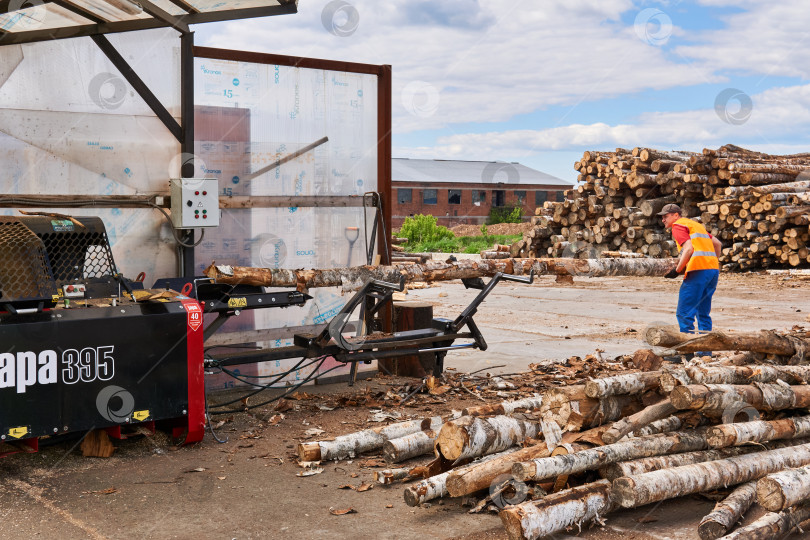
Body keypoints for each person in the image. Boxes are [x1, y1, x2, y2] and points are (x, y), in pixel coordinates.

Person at [657, 204, 722, 337]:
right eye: (662, 217)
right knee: (703, 313)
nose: (663, 220)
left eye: (666, 216)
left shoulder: (678, 226)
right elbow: (717, 243)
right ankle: (705, 352)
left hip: (697, 271)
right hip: (712, 271)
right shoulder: (695, 225)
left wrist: (677, 270)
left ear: (676, 215)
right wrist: (713, 260)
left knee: (684, 313)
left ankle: (688, 351)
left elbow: (688, 249)